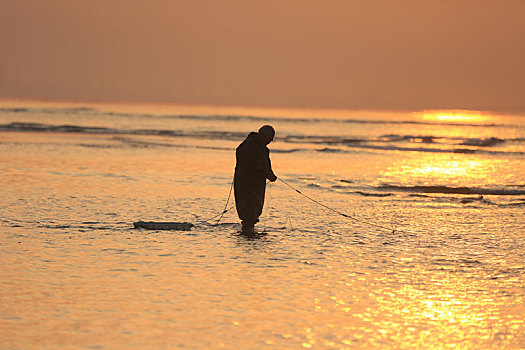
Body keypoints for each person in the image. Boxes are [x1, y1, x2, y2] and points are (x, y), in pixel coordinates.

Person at [234, 125, 277, 233]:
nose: (270, 142)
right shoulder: (246, 147)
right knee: (247, 210)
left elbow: (267, 165)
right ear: (262, 136)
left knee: (256, 209)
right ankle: (247, 232)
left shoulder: (265, 150)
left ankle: (249, 230)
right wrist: (266, 173)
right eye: (268, 139)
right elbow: (247, 165)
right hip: (245, 183)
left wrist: (270, 173)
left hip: (258, 184)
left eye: (271, 139)